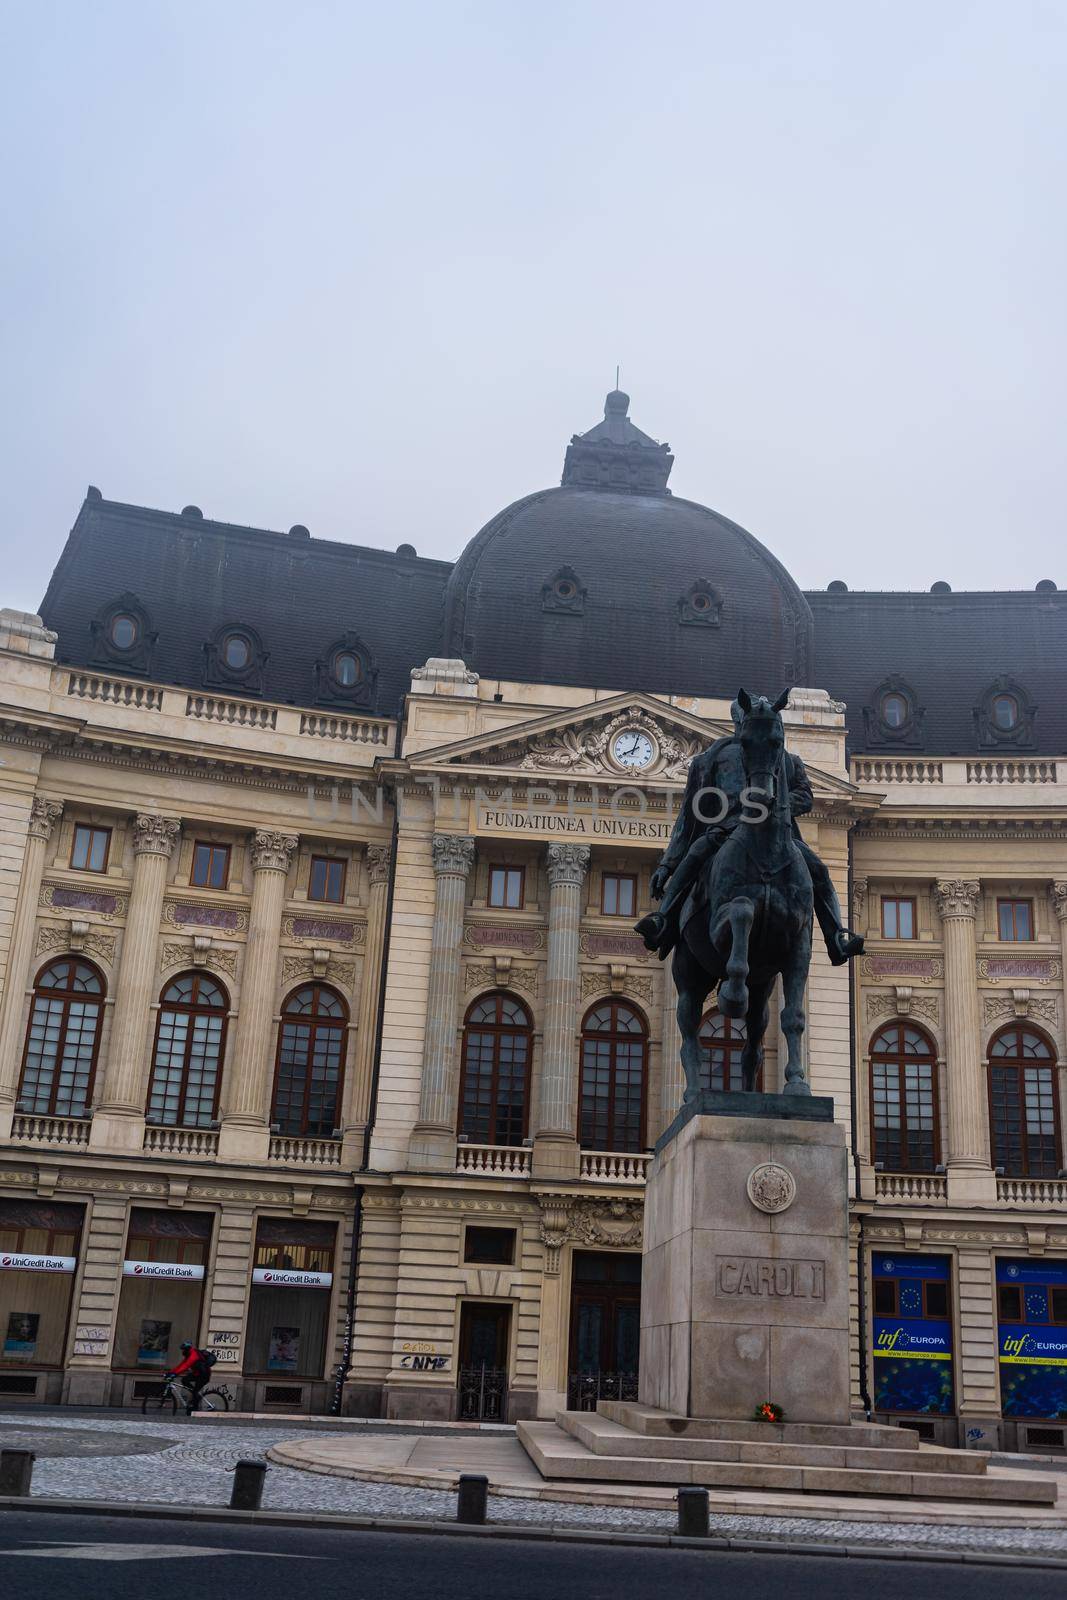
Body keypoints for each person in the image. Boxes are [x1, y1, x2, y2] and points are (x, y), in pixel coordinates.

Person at [635, 697, 863, 966]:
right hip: (725, 830)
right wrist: (667, 864)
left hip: (776, 835)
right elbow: (689, 817)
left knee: (819, 871)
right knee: (695, 854)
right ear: (737, 723)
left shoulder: (784, 759)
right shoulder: (711, 759)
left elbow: (805, 796)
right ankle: (662, 919)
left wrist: (780, 809)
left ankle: (836, 936)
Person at [167, 1339, 212, 1414]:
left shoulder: (193, 1355)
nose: (182, 1352)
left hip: (204, 1375)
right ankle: (194, 1395)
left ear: (187, 1349)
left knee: (195, 1391)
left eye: (183, 1350)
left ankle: (195, 1407)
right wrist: (170, 1372)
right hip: (197, 1374)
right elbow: (181, 1365)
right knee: (184, 1380)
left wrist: (175, 1374)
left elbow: (185, 1366)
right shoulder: (188, 1355)